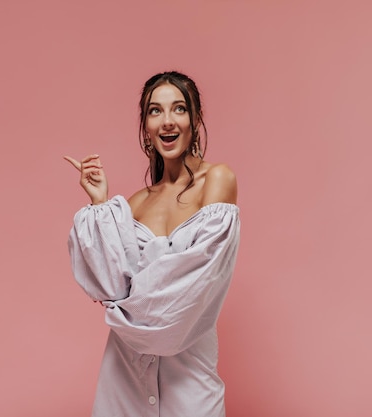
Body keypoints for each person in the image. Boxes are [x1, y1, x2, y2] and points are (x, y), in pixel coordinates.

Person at [65, 71, 240, 417]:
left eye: (179, 109)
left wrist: (127, 302)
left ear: (195, 119)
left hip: (189, 386)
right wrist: (101, 204)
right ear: (145, 125)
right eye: (155, 111)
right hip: (124, 381)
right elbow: (109, 287)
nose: (167, 121)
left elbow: (187, 299)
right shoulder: (133, 204)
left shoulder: (217, 181)